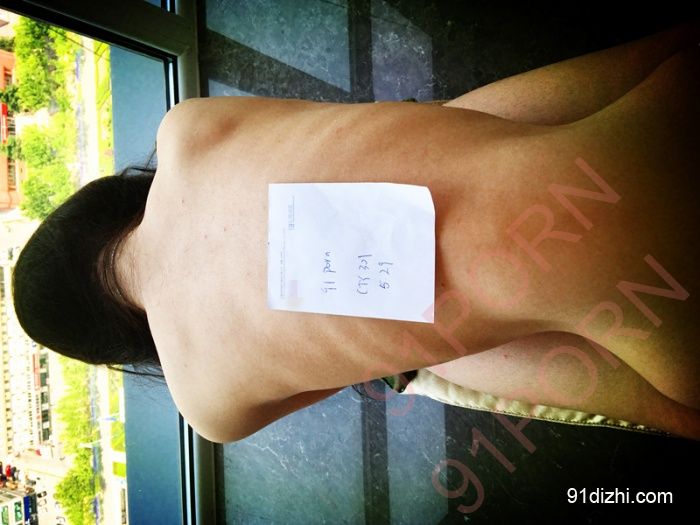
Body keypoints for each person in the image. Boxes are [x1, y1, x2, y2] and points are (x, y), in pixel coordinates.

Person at [13, 22, 700, 442]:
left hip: (665, 330)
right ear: (94, 209)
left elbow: (371, 369)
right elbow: (356, 124)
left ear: (110, 341)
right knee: (449, 129)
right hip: (663, 110)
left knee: (428, 362)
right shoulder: (187, 129)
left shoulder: (207, 405)